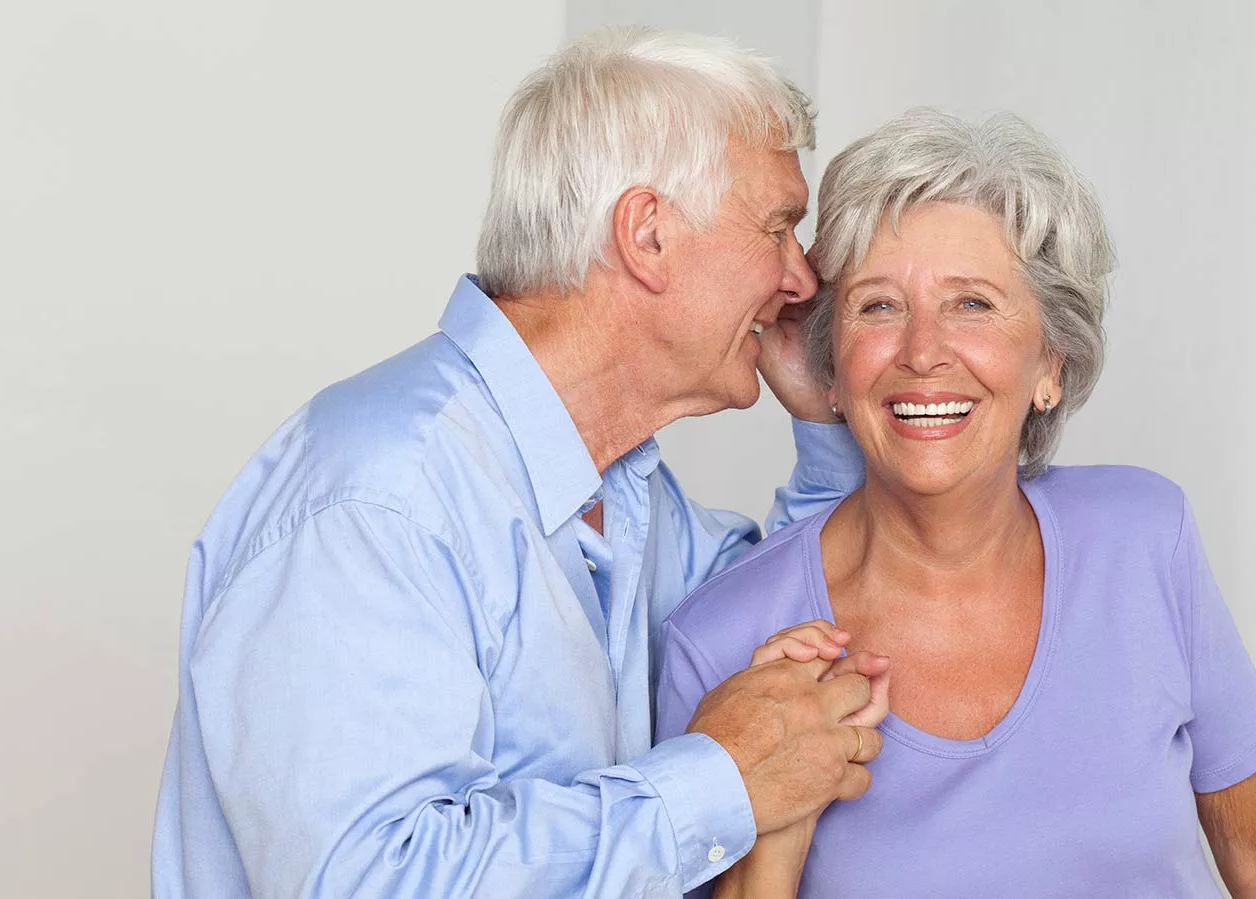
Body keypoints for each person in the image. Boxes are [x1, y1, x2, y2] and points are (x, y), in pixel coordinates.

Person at [151, 27, 893, 899]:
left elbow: (805, 603)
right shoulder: (378, 498)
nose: (803, 279)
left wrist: (829, 411)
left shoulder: (623, 489)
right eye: (779, 227)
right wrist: (718, 780)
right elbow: (372, 881)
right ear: (646, 234)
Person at [656, 108, 1256, 898]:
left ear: (1051, 361)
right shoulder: (721, 641)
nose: (923, 351)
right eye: (878, 306)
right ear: (830, 365)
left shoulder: (1147, 537)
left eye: (971, 303)